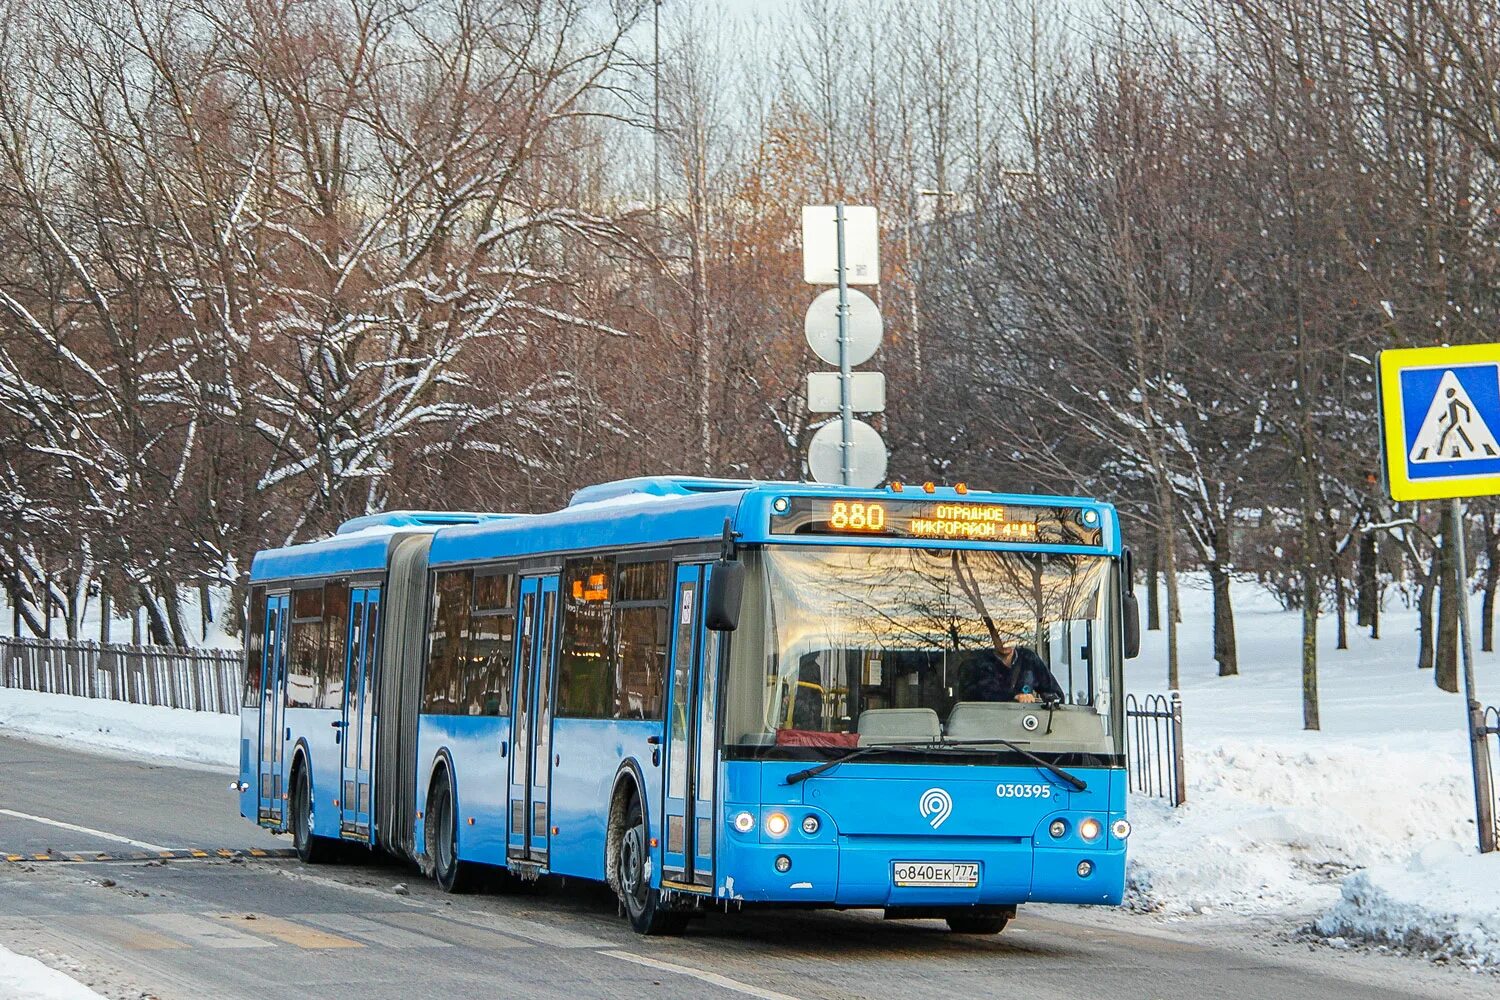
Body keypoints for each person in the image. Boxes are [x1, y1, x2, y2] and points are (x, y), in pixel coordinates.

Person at [958, 639, 1064, 704]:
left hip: (1024, 726)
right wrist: (1013, 697)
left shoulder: (1028, 659)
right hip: (986, 726)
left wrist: (1048, 701)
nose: (1004, 642)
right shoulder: (977, 663)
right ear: (992, 637)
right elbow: (969, 695)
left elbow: (1054, 692)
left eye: (1008, 638)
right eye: (999, 636)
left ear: (1016, 638)